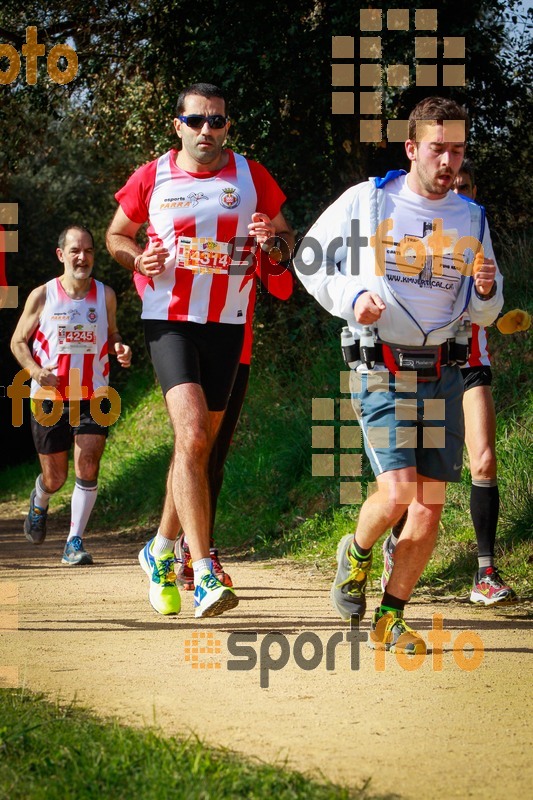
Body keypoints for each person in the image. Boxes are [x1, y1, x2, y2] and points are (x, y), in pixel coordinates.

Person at [295, 97, 503, 655]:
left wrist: (486, 291)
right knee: (397, 494)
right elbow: (309, 259)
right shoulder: (369, 200)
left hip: (442, 374)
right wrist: (352, 295)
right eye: (438, 148)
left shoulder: (471, 217)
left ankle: (391, 615)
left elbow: (486, 307)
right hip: (381, 366)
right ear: (412, 148)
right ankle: (356, 553)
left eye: (457, 149)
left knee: (429, 506)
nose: (448, 160)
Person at [106, 82, 294, 619]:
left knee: (198, 448)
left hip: (228, 325)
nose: (206, 130)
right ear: (178, 125)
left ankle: (159, 548)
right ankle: (204, 568)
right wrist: (136, 258)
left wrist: (271, 243)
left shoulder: (251, 176)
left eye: (216, 121)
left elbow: (285, 243)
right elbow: (118, 234)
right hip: (169, 322)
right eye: (196, 121)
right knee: (190, 434)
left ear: (227, 127)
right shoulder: (154, 175)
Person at [381, 158, 522, 605]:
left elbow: (491, 299)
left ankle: (485, 572)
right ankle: (393, 545)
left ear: (474, 190)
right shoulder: (421, 231)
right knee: (414, 482)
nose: (459, 191)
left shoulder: (476, 232)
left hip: (470, 361)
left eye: (467, 185)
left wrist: (487, 295)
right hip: (422, 365)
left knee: (483, 460)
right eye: (453, 184)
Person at [132, 250, 294, 590]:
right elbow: (147, 280)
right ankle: (190, 552)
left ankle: (183, 547)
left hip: (235, 347)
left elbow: (282, 287)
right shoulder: (173, 226)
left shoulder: (244, 227)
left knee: (213, 456)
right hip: (180, 339)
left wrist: (270, 248)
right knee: (192, 443)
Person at [10, 225, 132, 565]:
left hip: (93, 394)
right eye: (75, 251)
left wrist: (120, 346)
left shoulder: (105, 295)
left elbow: (113, 333)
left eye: (89, 250)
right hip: (49, 399)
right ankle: (40, 499)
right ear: (61, 255)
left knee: (88, 463)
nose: (83, 257)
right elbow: (17, 341)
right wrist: (35, 371)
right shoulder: (42, 295)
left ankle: (74, 542)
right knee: (56, 477)